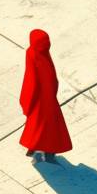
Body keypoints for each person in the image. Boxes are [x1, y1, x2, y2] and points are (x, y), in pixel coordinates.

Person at [19, 28, 73, 162]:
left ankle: (35, 148)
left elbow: (30, 79)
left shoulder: (32, 53)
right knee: (50, 125)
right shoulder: (44, 52)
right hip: (49, 95)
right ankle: (49, 151)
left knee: (36, 125)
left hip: (38, 97)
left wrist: (26, 100)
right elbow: (52, 76)